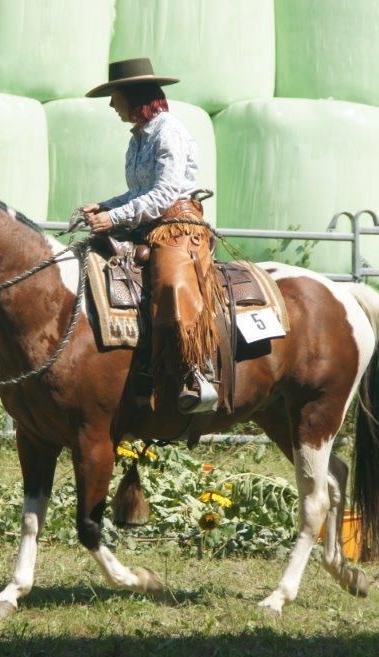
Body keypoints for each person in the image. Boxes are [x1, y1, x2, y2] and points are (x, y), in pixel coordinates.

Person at [81, 58, 224, 414]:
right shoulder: (138, 139)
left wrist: (113, 216)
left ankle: (196, 370)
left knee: (171, 285)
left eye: (115, 97)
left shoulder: (168, 131)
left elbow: (164, 193)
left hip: (179, 225)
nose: (112, 105)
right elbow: (138, 192)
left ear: (133, 97)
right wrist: (104, 206)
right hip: (147, 224)